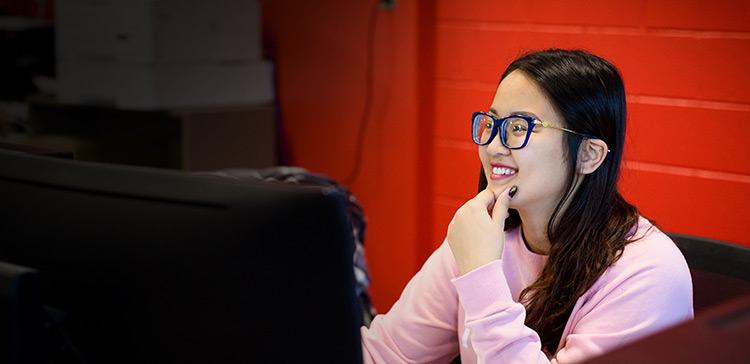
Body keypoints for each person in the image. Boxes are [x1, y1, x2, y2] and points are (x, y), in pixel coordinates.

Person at [360, 49, 693, 363]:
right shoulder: (483, 240)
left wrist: (481, 277)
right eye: (491, 124)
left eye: (519, 128)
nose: (494, 146)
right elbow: (385, 354)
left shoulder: (649, 273)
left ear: (589, 155)